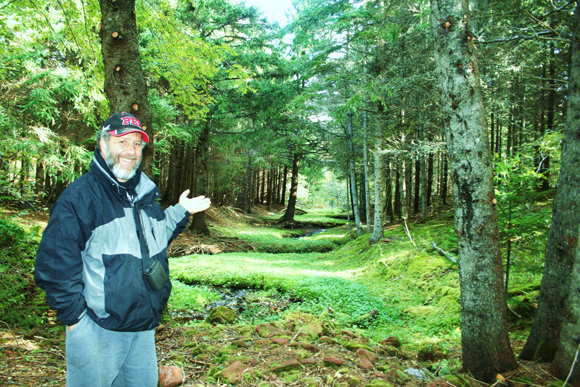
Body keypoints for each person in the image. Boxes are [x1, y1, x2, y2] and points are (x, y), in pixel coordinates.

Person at [34, 112, 211, 387]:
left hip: (142, 325)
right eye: (122, 142)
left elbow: (155, 238)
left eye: (137, 144)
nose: (131, 151)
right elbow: (54, 263)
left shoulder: (143, 195)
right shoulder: (80, 198)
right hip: (97, 327)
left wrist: (180, 212)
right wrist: (75, 320)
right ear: (104, 145)